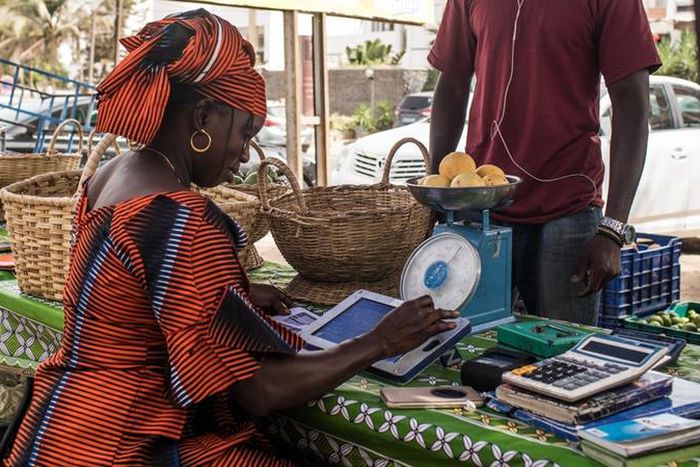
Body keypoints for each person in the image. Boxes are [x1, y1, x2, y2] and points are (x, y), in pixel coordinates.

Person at [3, 10, 457, 466]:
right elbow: (261, 391)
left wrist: (229, 297)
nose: (243, 156)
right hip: (125, 447)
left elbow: (129, 292)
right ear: (202, 115)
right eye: (244, 133)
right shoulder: (184, 217)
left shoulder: (107, 176)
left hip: (54, 433)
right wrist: (379, 342)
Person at [428, 0, 661, 324]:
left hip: (569, 209)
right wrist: (436, 191)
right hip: (481, 202)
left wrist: (613, 229)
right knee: (471, 346)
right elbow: (452, 84)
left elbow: (632, 104)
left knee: (562, 357)